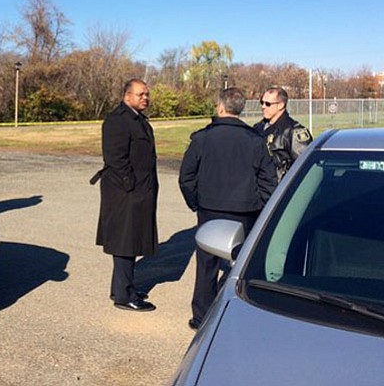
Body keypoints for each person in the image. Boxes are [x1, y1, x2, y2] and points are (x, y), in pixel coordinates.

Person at [179, 87, 277, 330]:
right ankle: (236, 313)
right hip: (245, 211)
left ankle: (201, 315)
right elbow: (269, 180)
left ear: (220, 107)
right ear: (240, 109)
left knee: (206, 264)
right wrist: (261, 206)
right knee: (241, 264)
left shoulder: (202, 138)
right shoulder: (255, 141)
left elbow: (186, 177)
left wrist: (196, 202)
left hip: (210, 210)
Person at [93, 79, 158, 312]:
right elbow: (115, 158)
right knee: (125, 243)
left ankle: (122, 287)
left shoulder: (138, 119)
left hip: (137, 191)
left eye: (147, 94)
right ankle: (124, 295)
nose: (145, 98)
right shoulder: (117, 120)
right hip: (125, 193)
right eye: (141, 94)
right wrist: (131, 186)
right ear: (127, 95)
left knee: (130, 241)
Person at [254, 86, 313, 181]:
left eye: (268, 104)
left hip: (279, 189)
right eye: (262, 102)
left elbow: (304, 168)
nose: (263, 107)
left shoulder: (294, 132)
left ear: (280, 105)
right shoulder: (258, 128)